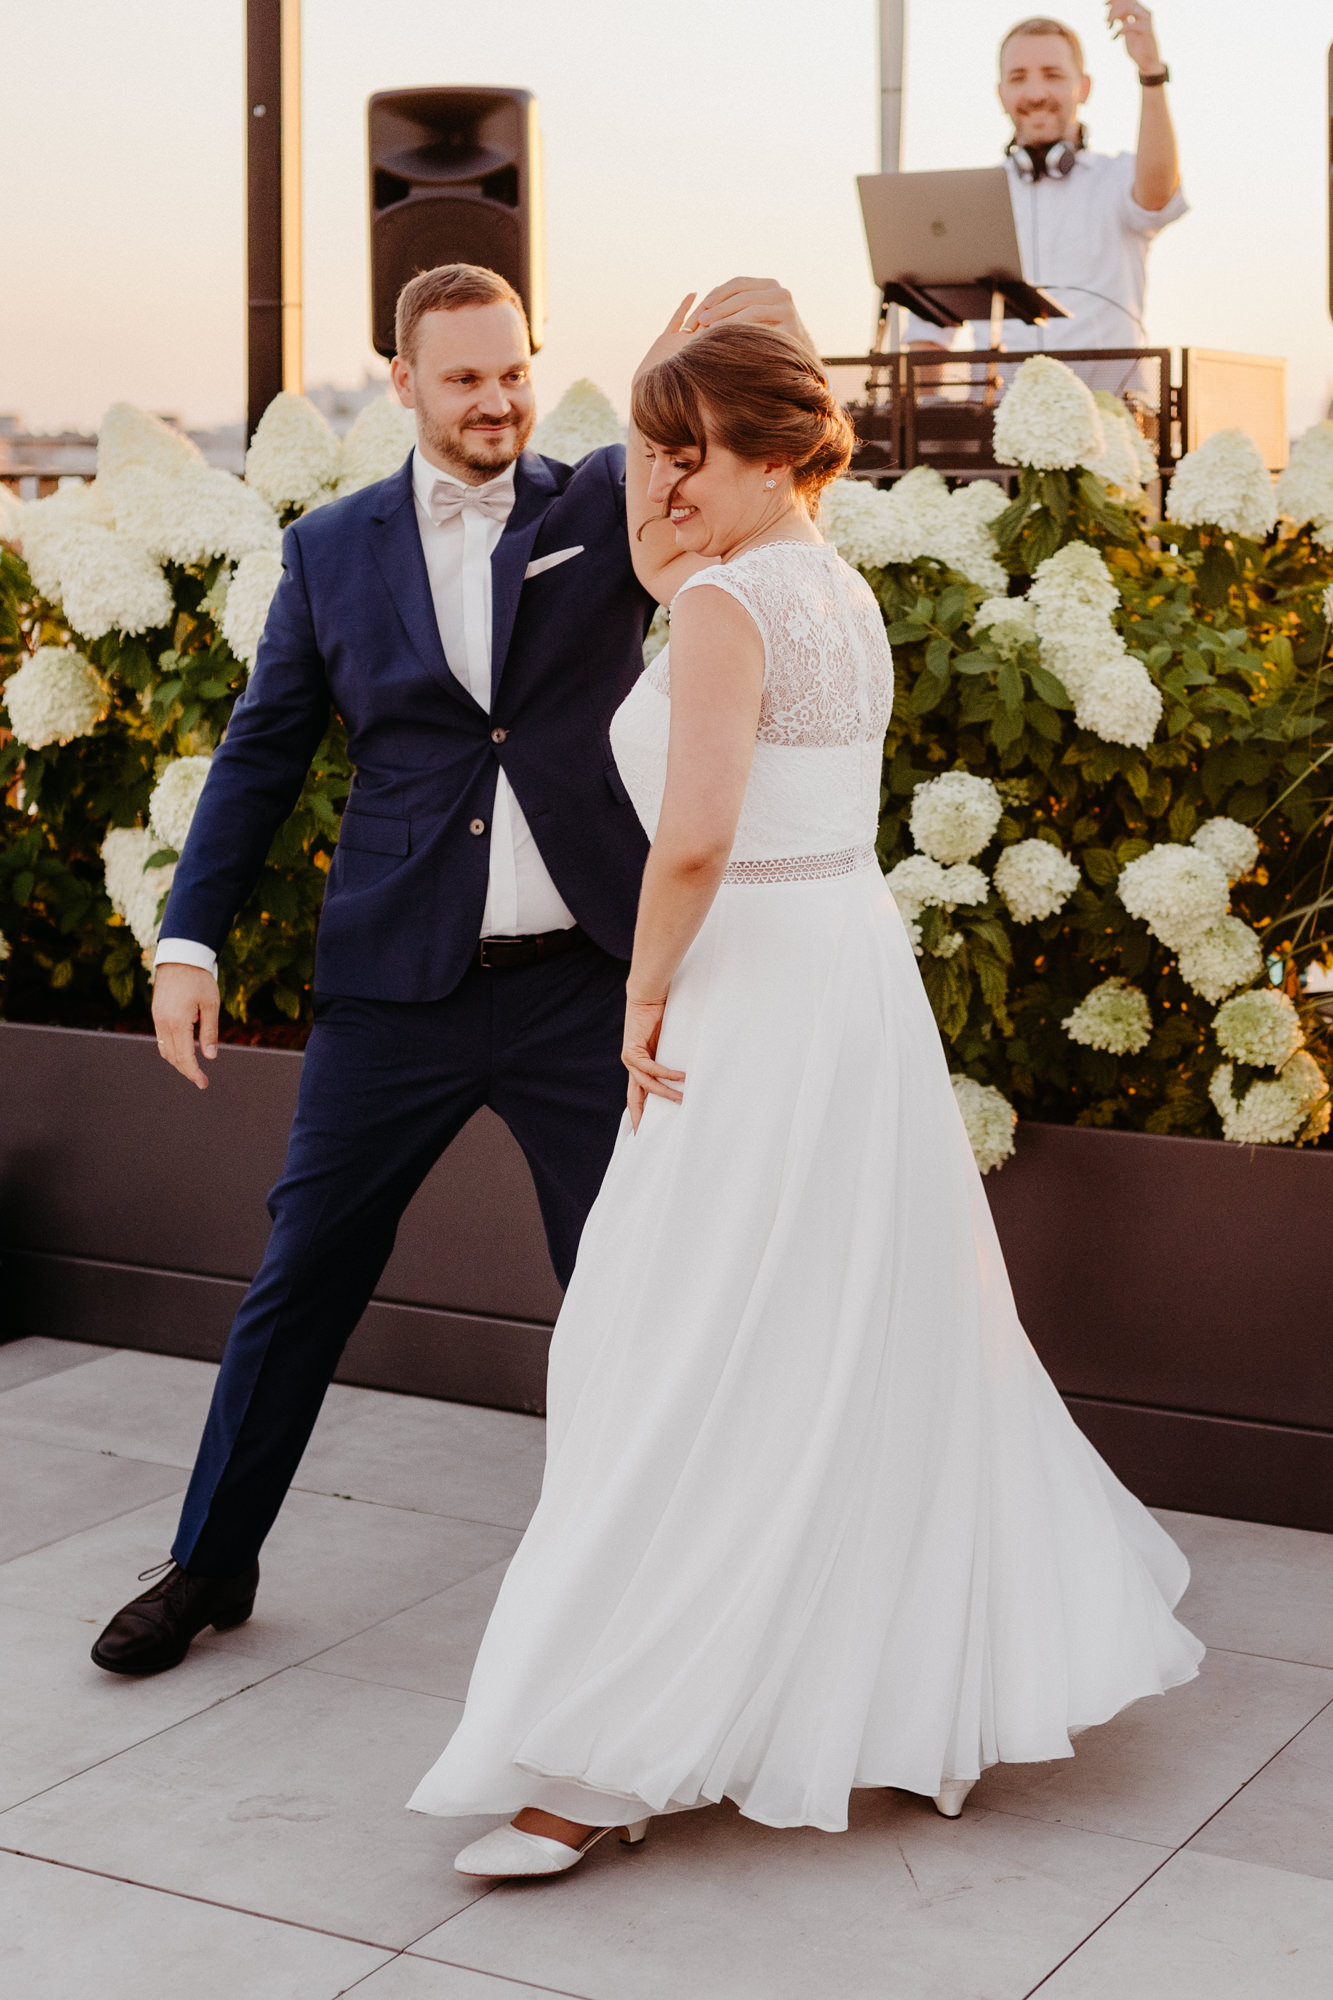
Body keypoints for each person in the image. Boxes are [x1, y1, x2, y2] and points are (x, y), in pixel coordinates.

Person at [406, 306, 1204, 1878]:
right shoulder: (833, 587)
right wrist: (668, 573)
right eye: (649, 447)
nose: (659, 477)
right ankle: (892, 1698)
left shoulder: (723, 611)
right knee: (853, 1333)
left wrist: (641, 995)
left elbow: (695, 840)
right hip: (848, 971)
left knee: (667, 1347)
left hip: (750, 990)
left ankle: (605, 1754)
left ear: (769, 451)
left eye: (682, 449)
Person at [90, 262, 812, 1678]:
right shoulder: (329, 550)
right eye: (465, 377)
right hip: (393, 989)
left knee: (635, 1286)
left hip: (586, 989)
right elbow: (260, 757)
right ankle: (209, 1564)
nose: (497, 400)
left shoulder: (602, 501)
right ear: (403, 384)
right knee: (301, 1277)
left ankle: (677, 1586)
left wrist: (720, 335)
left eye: (513, 371)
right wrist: (188, 938)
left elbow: (741, 458)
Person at [909, 5, 1185, 394]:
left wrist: (1152, 73)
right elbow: (929, 327)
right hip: (993, 429)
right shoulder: (966, 200)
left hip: (1109, 420)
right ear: (1001, 93)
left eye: (1053, 76)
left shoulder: (1118, 178)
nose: (1036, 93)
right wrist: (929, 426)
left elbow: (1157, 194)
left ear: (1083, 88)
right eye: (1018, 78)